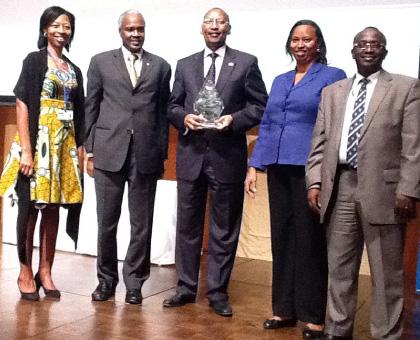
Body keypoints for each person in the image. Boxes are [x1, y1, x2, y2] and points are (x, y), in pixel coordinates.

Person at [306, 27, 420, 340]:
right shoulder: (334, 92)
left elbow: (414, 146)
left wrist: (408, 189)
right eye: (363, 44)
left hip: (386, 192)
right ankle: (338, 329)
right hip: (339, 187)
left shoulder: (406, 88)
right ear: (353, 50)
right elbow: (320, 142)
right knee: (339, 268)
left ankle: (386, 334)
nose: (368, 49)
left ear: (384, 50)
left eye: (375, 44)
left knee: (386, 274)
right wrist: (314, 182)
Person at [162, 7, 267, 317]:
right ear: (201, 28)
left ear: (228, 28)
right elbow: (172, 106)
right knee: (188, 225)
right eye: (209, 21)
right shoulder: (185, 65)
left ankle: (218, 291)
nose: (215, 26)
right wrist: (185, 118)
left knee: (224, 228)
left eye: (220, 22)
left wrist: (233, 120)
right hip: (191, 155)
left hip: (227, 157)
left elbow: (259, 106)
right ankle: (185, 287)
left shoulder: (246, 63)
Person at [244, 20, 346, 339]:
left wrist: (322, 174)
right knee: (282, 237)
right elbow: (269, 123)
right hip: (277, 166)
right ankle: (283, 309)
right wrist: (254, 166)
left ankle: (313, 315)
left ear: (318, 44)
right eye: (295, 39)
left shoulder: (333, 77)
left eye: (307, 39)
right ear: (289, 44)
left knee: (310, 241)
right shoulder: (279, 79)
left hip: (310, 169)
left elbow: (334, 126)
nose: (301, 44)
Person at [84, 9, 171, 305]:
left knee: (141, 224)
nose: (136, 34)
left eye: (140, 29)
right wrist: (90, 149)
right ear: (120, 31)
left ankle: (135, 284)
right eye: (130, 29)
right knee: (106, 222)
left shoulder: (160, 66)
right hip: (108, 152)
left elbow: (162, 114)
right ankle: (106, 281)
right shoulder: (100, 62)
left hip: (145, 155)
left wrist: (161, 153)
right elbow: (91, 107)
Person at [0, 6, 85, 300]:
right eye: (57, 25)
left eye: (67, 27)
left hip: (64, 148)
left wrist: (80, 151)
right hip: (38, 144)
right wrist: (26, 149)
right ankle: (25, 271)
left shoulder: (74, 68)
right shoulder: (34, 61)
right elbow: (22, 103)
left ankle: (45, 271)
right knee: (30, 208)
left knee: (52, 209)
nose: (62, 31)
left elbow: (81, 113)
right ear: (45, 29)